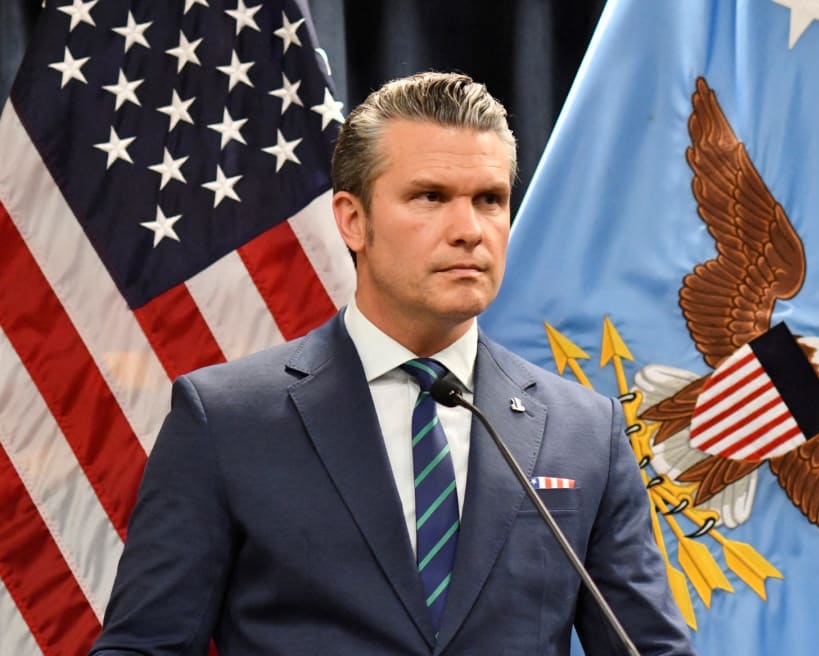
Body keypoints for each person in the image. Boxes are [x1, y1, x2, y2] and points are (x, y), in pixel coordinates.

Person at [91, 72, 695, 655]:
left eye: (490, 200)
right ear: (353, 220)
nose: (469, 230)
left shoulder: (585, 430)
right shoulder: (226, 420)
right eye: (430, 197)